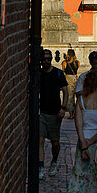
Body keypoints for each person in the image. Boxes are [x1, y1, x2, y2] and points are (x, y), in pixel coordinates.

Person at [39, 49, 68, 179]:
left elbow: (66, 92)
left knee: (55, 142)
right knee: (40, 140)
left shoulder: (58, 73)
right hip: (42, 112)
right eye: (44, 59)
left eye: (48, 59)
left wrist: (63, 108)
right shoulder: (38, 74)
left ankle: (54, 161)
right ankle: (40, 166)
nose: (46, 61)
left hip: (55, 113)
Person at [62, 48, 79, 117]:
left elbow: (63, 70)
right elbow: (76, 69)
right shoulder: (77, 62)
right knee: (74, 96)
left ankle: (71, 113)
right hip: (75, 78)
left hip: (68, 79)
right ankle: (75, 111)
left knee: (69, 96)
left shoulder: (65, 62)